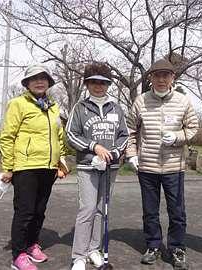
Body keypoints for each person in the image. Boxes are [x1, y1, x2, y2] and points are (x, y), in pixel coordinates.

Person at [125, 59, 199, 270]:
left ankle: (177, 248)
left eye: (165, 75)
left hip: (174, 166)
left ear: (172, 78)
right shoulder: (141, 101)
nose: (161, 79)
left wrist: (177, 136)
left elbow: (193, 127)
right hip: (146, 166)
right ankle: (153, 245)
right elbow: (130, 129)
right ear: (151, 78)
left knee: (177, 211)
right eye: (157, 76)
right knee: (150, 210)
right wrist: (132, 154)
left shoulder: (183, 101)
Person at [0, 64, 68, 270]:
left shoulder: (53, 106)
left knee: (39, 211)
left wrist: (61, 163)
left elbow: (59, 137)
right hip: (26, 167)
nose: (39, 81)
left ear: (48, 82)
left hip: (48, 168)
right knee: (25, 211)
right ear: (27, 83)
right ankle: (18, 254)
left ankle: (31, 244)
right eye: (34, 78)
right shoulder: (18, 104)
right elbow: (7, 137)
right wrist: (8, 168)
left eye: (43, 78)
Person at [66, 62, 129, 270]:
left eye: (103, 82)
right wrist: (94, 147)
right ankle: (79, 256)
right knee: (87, 209)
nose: (98, 86)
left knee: (102, 210)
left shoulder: (117, 108)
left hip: (110, 168)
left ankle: (94, 249)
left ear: (108, 84)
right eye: (93, 82)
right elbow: (71, 134)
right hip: (87, 167)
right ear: (87, 84)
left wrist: (116, 152)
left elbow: (124, 135)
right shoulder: (81, 107)